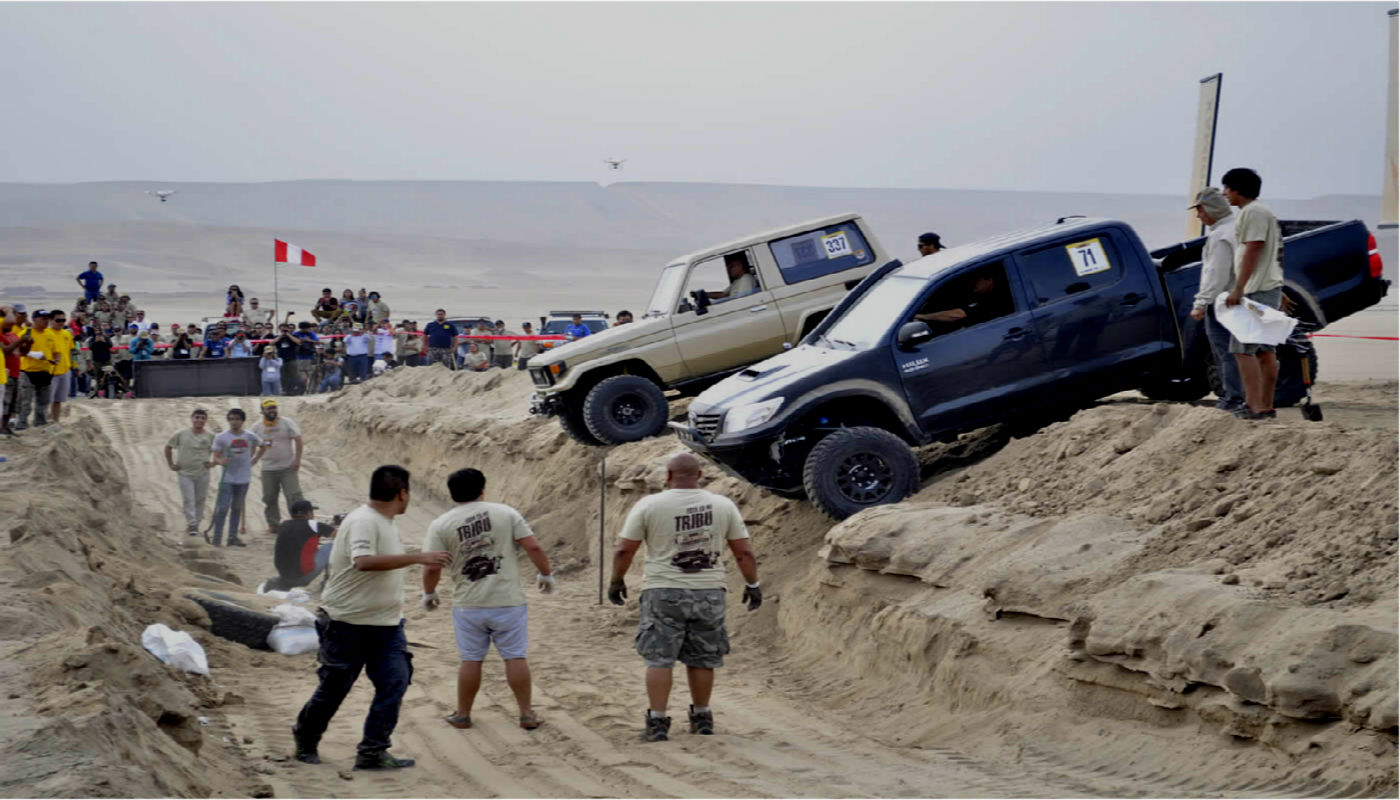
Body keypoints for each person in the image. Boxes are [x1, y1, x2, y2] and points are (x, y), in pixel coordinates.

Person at [292, 465, 453, 770]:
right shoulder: (365, 521)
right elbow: (363, 562)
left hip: (387, 625)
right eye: (409, 494)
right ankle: (306, 738)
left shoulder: (384, 520)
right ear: (402, 493)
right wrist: (419, 557)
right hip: (346, 624)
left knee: (396, 681)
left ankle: (372, 751)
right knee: (334, 688)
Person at [608, 452, 761, 742]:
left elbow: (623, 550)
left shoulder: (649, 504)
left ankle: (657, 721)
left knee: (659, 659)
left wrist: (616, 581)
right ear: (700, 476)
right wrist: (753, 584)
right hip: (709, 591)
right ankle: (702, 717)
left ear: (667, 476)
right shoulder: (722, 505)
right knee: (703, 658)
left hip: (663, 591)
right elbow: (744, 552)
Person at [421, 468, 555, 731]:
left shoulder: (441, 524)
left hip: (468, 603)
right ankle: (527, 714)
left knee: (471, 659)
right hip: (508, 600)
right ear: (483, 489)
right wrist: (546, 574)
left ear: (452, 494)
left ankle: (462, 714)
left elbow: (432, 566)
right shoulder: (505, 513)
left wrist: (429, 592)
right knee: (515, 656)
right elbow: (534, 547)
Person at [1221, 167, 1286, 421]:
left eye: (1227, 188)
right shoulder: (1262, 212)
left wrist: (1239, 288)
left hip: (1256, 290)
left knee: (1243, 348)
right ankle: (1265, 406)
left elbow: (1253, 249)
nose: (1225, 194)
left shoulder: (1254, 212)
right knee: (1264, 350)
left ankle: (1254, 406)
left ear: (1238, 189)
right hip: (1267, 287)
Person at [1187, 187, 1245, 412]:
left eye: (1200, 210)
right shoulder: (1235, 228)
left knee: (1226, 353)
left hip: (1222, 304)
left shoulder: (1221, 236)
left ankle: (1233, 399)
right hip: (1236, 301)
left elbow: (1216, 275)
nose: (1198, 216)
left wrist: (1201, 304)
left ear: (1211, 209)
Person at [210, 408, 267, 547]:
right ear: (228, 420)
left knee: (236, 508)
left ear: (242, 421)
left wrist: (255, 459)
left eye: (237, 419)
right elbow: (215, 456)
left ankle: (232, 537)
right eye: (231, 419)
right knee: (222, 508)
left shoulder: (250, 435)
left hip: (244, 478)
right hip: (227, 478)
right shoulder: (221, 437)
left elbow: (262, 446)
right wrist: (221, 461)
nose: (234, 422)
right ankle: (216, 538)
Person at [250, 398, 305, 534]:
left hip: (288, 468)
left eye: (274, 407)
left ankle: (299, 523)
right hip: (268, 469)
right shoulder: (257, 427)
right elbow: (252, 444)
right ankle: (273, 524)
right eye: (269, 408)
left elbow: (298, 440)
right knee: (269, 497)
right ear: (262, 411)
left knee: (293, 496)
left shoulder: (286, 422)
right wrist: (252, 459)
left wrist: (297, 459)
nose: (272, 410)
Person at [165, 409, 216, 535]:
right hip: (184, 473)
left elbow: (219, 450)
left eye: (203, 418)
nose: (199, 420)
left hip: (203, 473)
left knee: (200, 499)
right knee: (189, 499)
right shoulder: (181, 434)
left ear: (205, 420)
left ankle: (196, 524)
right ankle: (192, 524)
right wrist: (171, 464)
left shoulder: (210, 436)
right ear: (192, 419)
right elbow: (168, 447)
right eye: (197, 417)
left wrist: (213, 463)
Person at [269, 499, 335, 591]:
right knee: (332, 547)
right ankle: (328, 582)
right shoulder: (313, 524)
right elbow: (338, 534)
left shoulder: (284, 524)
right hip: (302, 577)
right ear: (308, 513)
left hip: (284, 575)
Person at [914, 267, 1009, 329]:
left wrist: (922, 316)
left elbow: (958, 314)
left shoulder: (998, 295)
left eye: (975, 280)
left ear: (989, 280)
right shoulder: (983, 293)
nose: (972, 284)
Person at [17, 309, 57, 430]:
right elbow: (17, 350)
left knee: (43, 402)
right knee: (26, 402)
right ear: (34, 319)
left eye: (47, 319)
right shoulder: (25, 333)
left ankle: (39, 425)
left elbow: (56, 352)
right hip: (27, 372)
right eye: (43, 319)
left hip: (45, 372)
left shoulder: (50, 334)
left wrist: (56, 360)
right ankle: (21, 425)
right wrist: (33, 354)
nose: (46, 321)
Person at [46, 311, 76, 429]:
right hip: (50, 372)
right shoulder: (46, 333)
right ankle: (42, 422)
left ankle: (55, 422)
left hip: (65, 370)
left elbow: (70, 351)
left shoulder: (67, 334)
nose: (61, 323)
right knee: (46, 400)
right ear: (51, 320)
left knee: (58, 399)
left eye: (63, 320)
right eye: (58, 320)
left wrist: (73, 366)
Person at [0, 305, 24, 435]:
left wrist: (27, 343)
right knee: (5, 401)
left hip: (15, 371)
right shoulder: (1, 334)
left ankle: (5, 427)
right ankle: (1, 428)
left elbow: (22, 352)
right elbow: (5, 350)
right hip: (6, 372)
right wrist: (8, 311)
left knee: (13, 402)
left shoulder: (13, 335)